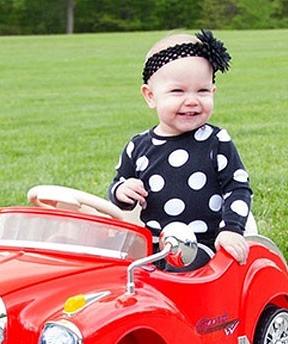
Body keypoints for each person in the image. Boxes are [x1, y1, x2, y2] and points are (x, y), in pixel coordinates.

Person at [108, 29, 253, 271]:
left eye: (202, 91)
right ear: (150, 96)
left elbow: (237, 188)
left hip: (201, 244)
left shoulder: (216, 141)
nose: (192, 100)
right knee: (114, 270)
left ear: (213, 92)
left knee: (176, 268)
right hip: (151, 246)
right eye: (178, 91)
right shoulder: (138, 146)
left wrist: (231, 230)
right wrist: (122, 191)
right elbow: (118, 191)